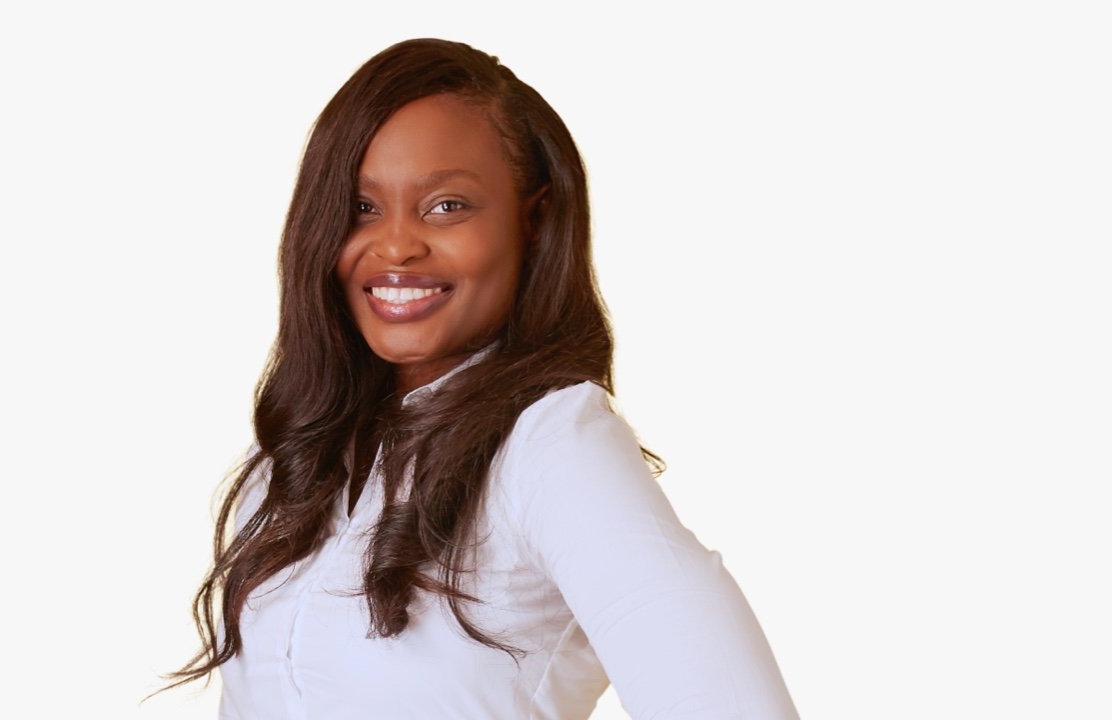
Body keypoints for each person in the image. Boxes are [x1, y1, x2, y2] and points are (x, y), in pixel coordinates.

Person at [160, 39, 799, 718]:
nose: (396, 244)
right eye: (362, 207)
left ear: (535, 221)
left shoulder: (551, 446)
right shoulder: (293, 459)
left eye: (447, 206)